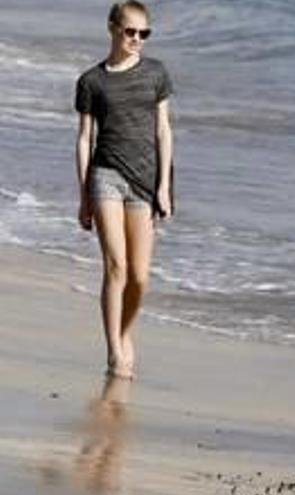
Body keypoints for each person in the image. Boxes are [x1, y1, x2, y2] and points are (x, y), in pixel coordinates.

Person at [75, 1, 174, 379]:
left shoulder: (156, 74)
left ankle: (125, 332)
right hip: (106, 176)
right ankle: (114, 350)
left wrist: (163, 186)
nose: (137, 40)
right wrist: (83, 194)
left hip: (145, 181)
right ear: (113, 29)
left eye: (144, 33)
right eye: (131, 31)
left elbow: (164, 131)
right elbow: (85, 140)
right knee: (116, 267)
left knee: (140, 276)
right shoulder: (92, 81)